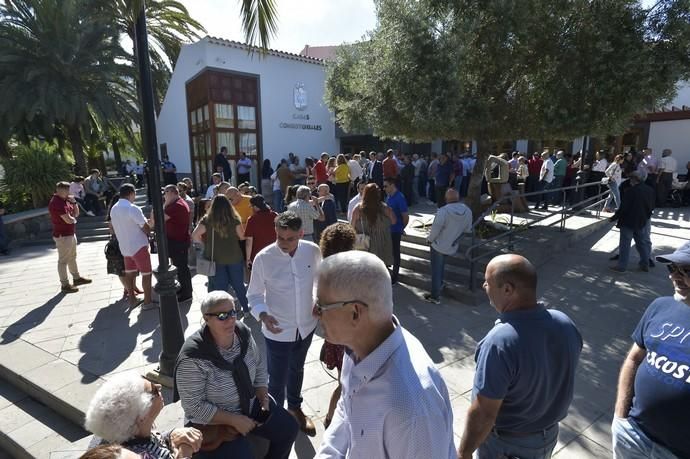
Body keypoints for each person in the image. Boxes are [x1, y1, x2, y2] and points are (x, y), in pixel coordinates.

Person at [314, 251, 456, 458]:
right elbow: (348, 404)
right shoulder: (356, 347)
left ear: (355, 312)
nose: (314, 313)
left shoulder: (412, 408)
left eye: (321, 306)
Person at [457, 254, 582, 459]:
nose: (483, 286)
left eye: (488, 282)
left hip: (506, 447)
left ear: (507, 289)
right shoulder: (565, 323)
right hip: (547, 436)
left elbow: (484, 413)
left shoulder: (499, 343)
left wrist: (464, 453)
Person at [174, 291, 298, 459]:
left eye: (233, 312)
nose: (231, 319)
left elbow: (258, 362)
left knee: (289, 428)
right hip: (217, 421)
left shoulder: (242, 332)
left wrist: (262, 391)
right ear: (206, 318)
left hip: (250, 403)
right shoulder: (193, 356)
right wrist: (234, 420)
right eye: (222, 315)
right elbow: (193, 406)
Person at [611, 242, 690, 459]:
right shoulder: (660, 306)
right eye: (672, 268)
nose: (674, 276)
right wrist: (620, 416)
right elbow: (634, 359)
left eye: (686, 270)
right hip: (632, 435)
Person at [247, 211, 322, 437]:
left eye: (290, 238)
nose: (284, 243)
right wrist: (262, 315)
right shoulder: (263, 258)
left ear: (301, 233)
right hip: (278, 331)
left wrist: (319, 301)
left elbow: (320, 281)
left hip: (307, 327)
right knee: (276, 380)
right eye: (280, 237)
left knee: (297, 369)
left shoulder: (312, 251)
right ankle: (276, 421)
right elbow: (254, 295)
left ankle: (295, 408)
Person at [85, 373, 202, 459]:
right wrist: (185, 448)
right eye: (154, 389)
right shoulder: (142, 456)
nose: (159, 385)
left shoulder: (131, 433)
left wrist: (170, 435)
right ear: (143, 415)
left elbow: (154, 438)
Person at [316, 223, 356, 430]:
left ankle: (331, 418)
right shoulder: (352, 272)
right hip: (350, 336)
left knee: (344, 381)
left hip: (334, 335)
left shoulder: (323, 270)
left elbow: (317, 309)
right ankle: (332, 419)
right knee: (346, 383)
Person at [192, 195, 249, 313]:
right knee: (239, 285)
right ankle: (246, 309)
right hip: (234, 256)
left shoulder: (207, 219)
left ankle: (223, 311)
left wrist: (205, 245)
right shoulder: (234, 219)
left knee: (220, 288)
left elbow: (195, 236)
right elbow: (242, 236)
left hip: (215, 259)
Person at [110, 184, 155, 309]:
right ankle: (147, 302)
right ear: (131, 193)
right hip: (138, 245)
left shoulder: (114, 208)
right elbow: (145, 227)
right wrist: (150, 230)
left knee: (129, 274)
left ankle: (132, 299)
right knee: (147, 274)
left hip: (124, 247)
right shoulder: (132, 208)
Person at [424, 189, 472, 304]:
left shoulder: (443, 211)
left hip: (438, 245)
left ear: (446, 199)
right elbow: (467, 230)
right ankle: (439, 286)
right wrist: (455, 241)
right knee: (441, 267)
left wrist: (429, 240)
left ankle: (435, 296)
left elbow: (435, 229)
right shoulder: (467, 211)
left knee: (436, 270)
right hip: (452, 245)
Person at [48, 181, 92, 293]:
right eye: (66, 190)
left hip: (70, 233)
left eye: (68, 190)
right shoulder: (56, 202)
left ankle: (76, 278)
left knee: (72, 257)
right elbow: (68, 220)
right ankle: (65, 285)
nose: (69, 192)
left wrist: (74, 202)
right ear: (59, 190)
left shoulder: (66, 200)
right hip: (62, 236)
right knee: (63, 261)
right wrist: (72, 219)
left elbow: (76, 214)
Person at [609, 171, 655, 273]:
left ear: (634, 179)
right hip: (641, 220)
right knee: (641, 243)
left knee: (625, 244)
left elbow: (624, 208)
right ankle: (645, 263)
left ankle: (622, 266)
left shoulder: (631, 191)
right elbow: (652, 206)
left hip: (628, 220)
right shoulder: (650, 190)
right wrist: (646, 217)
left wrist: (614, 217)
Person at [351, 183, 395, 267]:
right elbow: (393, 221)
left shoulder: (358, 208)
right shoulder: (385, 208)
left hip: (365, 245)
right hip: (381, 245)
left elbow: (352, 226)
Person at [161, 184, 192, 302]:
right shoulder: (176, 203)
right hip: (178, 241)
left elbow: (158, 218)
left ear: (173, 192)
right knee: (179, 267)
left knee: (181, 268)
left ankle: (187, 293)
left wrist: (165, 204)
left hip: (178, 242)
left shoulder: (176, 205)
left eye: (166, 192)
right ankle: (184, 289)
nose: (164, 194)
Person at [383, 177, 409, 284]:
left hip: (395, 230)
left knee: (396, 253)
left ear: (392, 185)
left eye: (386, 186)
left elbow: (405, 216)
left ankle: (395, 276)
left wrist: (401, 228)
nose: (384, 188)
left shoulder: (400, 198)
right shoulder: (389, 196)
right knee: (389, 252)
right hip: (388, 229)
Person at [244, 195, 277, 269]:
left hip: (258, 254)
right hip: (274, 252)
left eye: (251, 206)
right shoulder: (275, 215)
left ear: (255, 207)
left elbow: (249, 241)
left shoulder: (252, 219)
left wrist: (248, 259)